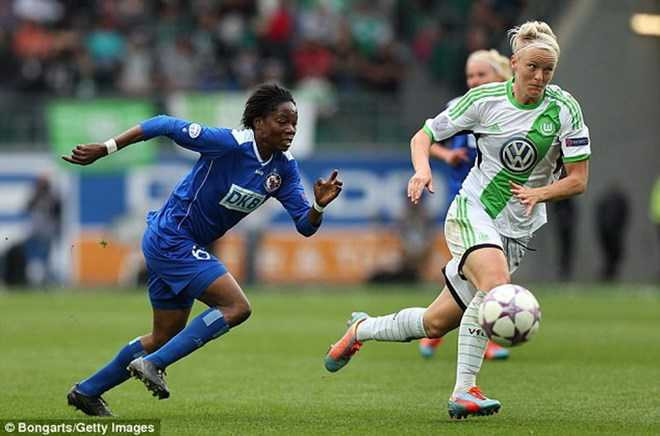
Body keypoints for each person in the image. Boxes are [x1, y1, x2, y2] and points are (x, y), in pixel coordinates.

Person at [324, 21, 590, 419]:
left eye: (547, 70)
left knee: (434, 324)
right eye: (532, 67)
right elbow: (423, 136)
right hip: (475, 210)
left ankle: (361, 329)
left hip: (518, 229)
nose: (539, 76)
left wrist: (541, 193)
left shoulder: (565, 109)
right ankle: (465, 391)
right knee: (496, 287)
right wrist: (422, 170)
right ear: (514, 64)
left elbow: (578, 180)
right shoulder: (483, 100)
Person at [63, 83, 343, 416]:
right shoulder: (228, 144)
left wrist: (318, 207)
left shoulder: (283, 169)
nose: (291, 129)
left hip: (179, 244)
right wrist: (106, 148)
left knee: (164, 334)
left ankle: (87, 391)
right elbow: (163, 123)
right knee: (236, 307)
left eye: (294, 123)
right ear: (258, 122)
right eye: (282, 121)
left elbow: (305, 226)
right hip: (172, 237)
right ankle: (154, 364)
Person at [419, 49, 512, 361]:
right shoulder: (459, 106)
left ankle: (435, 330)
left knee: (478, 274)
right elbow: (427, 140)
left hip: (500, 204)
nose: (473, 81)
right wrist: (448, 155)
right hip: (466, 203)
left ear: (500, 76)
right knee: (478, 272)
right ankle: (479, 336)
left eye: (481, 75)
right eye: (470, 76)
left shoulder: (511, 112)